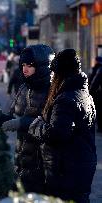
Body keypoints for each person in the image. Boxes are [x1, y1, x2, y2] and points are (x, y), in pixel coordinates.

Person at [28, 49, 97, 203]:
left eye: (54, 74)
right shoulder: (84, 94)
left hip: (66, 169)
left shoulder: (65, 99)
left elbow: (57, 134)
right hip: (81, 164)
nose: (52, 79)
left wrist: (36, 126)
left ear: (61, 74)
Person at [0, 44, 54, 193]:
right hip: (22, 160)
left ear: (43, 66)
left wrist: (22, 123)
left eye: (30, 65)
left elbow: (53, 127)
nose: (25, 69)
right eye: (23, 64)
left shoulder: (53, 90)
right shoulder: (24, 88)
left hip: (45, 164)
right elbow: (14, 117)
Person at [90, 56, 102, 132]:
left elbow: (95, 82)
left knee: (100, 110)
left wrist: (90, 92)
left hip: (100, 94)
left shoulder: (99, 69)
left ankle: (100, 127)